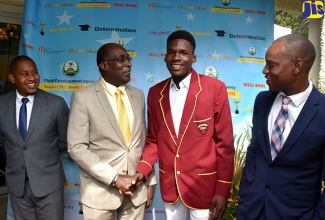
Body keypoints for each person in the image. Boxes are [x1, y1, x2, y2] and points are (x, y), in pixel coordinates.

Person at [132, 30, 235, 220]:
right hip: (170, 186)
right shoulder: (155, 93)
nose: (176, 57)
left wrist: (222, 190)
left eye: (183, 52)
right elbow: (153, 140)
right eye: (171, 52)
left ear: (193, 57)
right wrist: (142, 171)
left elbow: (225, 145)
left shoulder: (215, 88)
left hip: (204, 187)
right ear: (165, 56)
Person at [237, 34, 325, 219]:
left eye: (272, 64)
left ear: (297, 66)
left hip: (296, 214)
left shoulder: (322, 111)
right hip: (252, 210)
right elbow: (255, 151)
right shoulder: (262, 100)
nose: (264, 70)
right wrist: (246, 192)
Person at [68, 43, 156, 220]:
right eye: (120, 59)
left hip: (136, 192)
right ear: (104, 65)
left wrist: (150, 181)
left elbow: (144, 142)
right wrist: (115, 178)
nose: (128, 64)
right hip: (100, 194)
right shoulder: (83, 97)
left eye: (128, 59)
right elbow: (76, 147)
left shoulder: (138, 95)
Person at [0, 55, 69, 220]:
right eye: (24, 74)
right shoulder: (1, 104)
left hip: (49, 184)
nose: (32, 78)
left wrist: (42, 152)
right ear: (12, 77)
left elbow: (65, 141)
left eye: (35, 72)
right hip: (17, 185)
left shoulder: (56, 104)